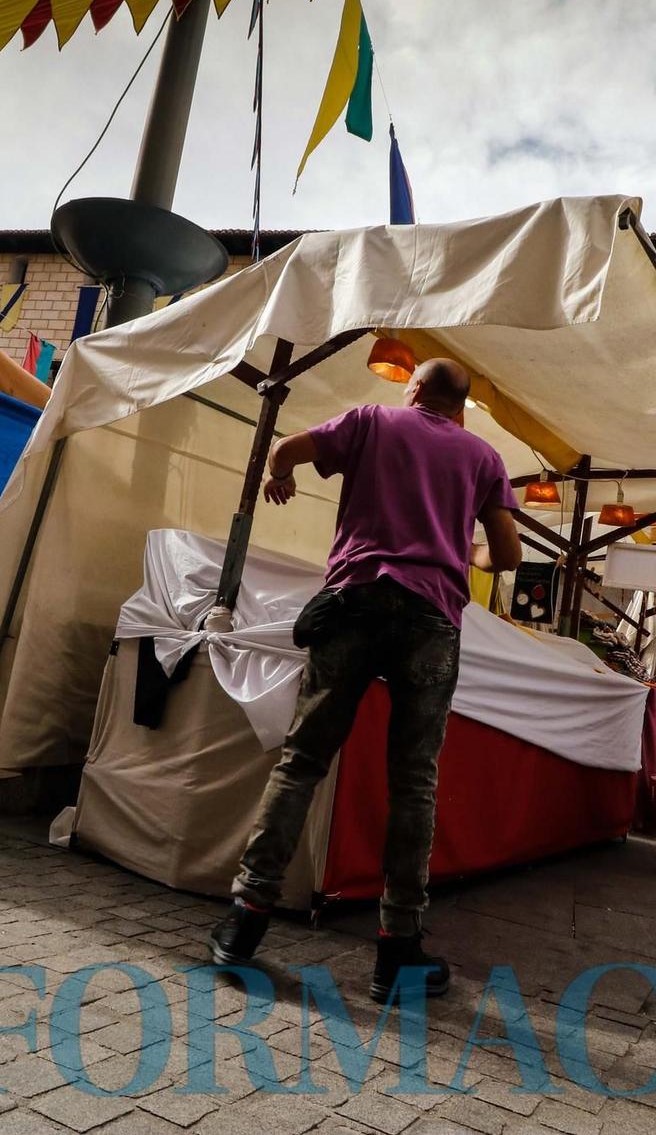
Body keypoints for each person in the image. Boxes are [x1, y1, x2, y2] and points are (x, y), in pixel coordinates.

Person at [208, 359, 523, 1000]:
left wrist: (280, 478)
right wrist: (466, 548)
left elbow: (288, 450)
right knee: (414, 785)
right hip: (430, 619)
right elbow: (510, 555)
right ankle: (396, 951)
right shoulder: (483, 458)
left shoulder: (372, 421)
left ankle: (244, 923)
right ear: (461, 408)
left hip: (353, 604)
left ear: (413, 390)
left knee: (301, 762)